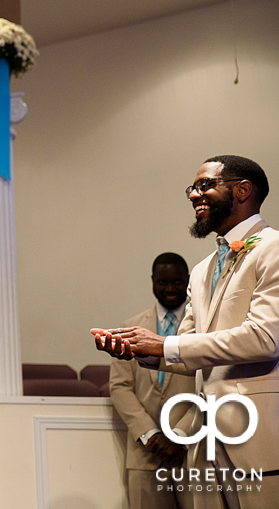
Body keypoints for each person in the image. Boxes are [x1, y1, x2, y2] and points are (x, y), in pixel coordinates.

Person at [93, 155, 279, 509]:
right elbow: (189, 352)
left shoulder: (274, 248)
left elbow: (265, 338)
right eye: (193, 188)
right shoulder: (201, 269)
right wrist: (141, 351)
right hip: (204, 445)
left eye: (205, 185)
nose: (194, 195)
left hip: (258, 437)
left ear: (243, 190)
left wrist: (165, 344)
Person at [109, 252, 195, 509]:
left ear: (188, 281)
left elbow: (210, 386)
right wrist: (151, 434)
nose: (170, 288)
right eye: (162, 282)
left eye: (178, 282)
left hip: (192, 451)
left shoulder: (203, 330)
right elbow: (120, 386)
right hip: (146, 454)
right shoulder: (130, 327)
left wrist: (179, 435)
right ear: (152, 281)